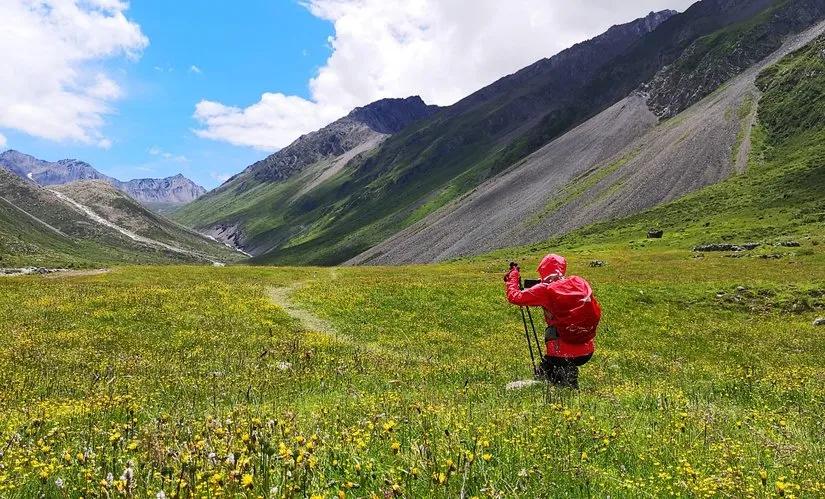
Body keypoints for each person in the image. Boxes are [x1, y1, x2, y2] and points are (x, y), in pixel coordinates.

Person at [504, 254, 601, 389]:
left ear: (543, 270)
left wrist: (512, 277)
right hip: (587, 352)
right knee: (549, 371)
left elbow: (515, 296)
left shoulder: (545, 290)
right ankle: (566, 381)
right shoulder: (578, 282)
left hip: (560, 354)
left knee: (547, 373)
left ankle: (560, 384)